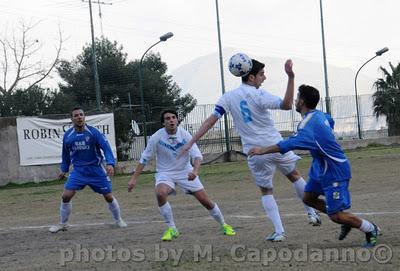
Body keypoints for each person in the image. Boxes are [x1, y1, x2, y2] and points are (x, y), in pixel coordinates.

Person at [180, 57, 320, 242]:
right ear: (251, 77)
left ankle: (279, 231)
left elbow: (211, 120)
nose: (264, 78)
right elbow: (287, 105)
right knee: (294, 176)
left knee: (266, 191)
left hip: (255, 151)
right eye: (261, 74)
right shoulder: (258, 95)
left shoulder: (228, 97)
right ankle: (311, 212)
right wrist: (291, 77)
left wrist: (191, 142)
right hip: (276, 146)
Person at [248, 85, 379, 247]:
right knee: (308, 198)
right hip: (320, 168)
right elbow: (330, 120)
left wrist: (262, 150)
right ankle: (345, 219)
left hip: (335, 170)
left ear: (302, 101)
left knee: (335, 216)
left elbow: (288, 144)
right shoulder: (319, 115)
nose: (295, 100)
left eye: (297, 98)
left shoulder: (307, 126)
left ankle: (370, 228)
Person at [128, 109, 236, 241]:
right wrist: (134, 178)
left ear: (177, 120)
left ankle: (224, 225)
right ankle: (172, 228)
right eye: (167, 118)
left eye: (173, 117)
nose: (171, 120)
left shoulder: (185, 134)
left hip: (185, 171)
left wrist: (195, 172)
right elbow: (144, 158)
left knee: (205, 201)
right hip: (165, 173)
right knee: (160, 193)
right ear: (163, 123)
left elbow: (197, 156)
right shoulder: (156, 137)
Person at [49, 107, 127, 233]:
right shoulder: (68, 136)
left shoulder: (94, 132)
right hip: (78, 171)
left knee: (108, 196)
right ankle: (63, 224)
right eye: (76, 115)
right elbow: (65, 155)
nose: (79, 117)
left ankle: (118, 220)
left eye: (81, 114)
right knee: (66, 196)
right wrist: (63, 169)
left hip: (96, 170)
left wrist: (110, 164)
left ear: (84, 117)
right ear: (72, 119)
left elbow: (106, 148)